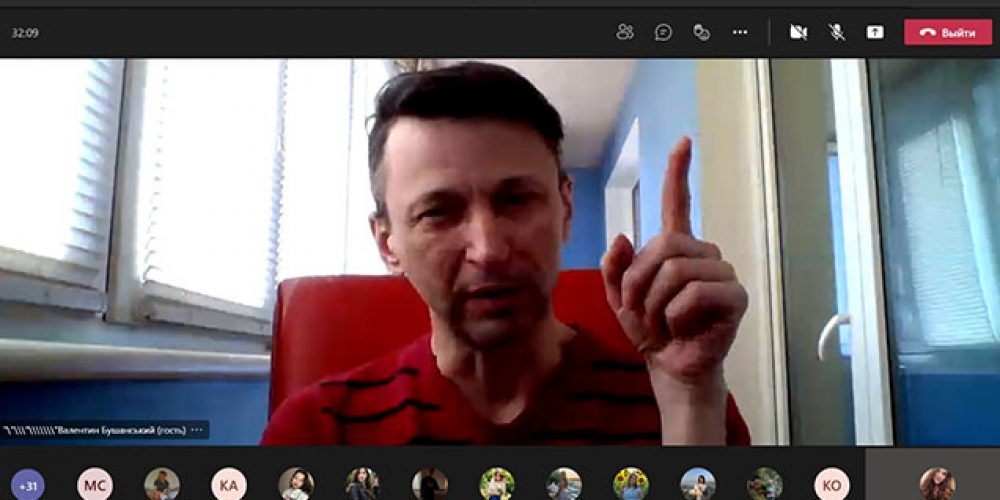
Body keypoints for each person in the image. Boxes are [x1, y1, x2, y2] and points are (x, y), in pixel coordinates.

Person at [261, 61, 751, 446]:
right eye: (438, 212)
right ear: (388, 244)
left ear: (565, 209)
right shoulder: (318, 431)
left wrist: (689, 403)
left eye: (516, 200)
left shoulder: (686, 395)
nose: (489, 250)